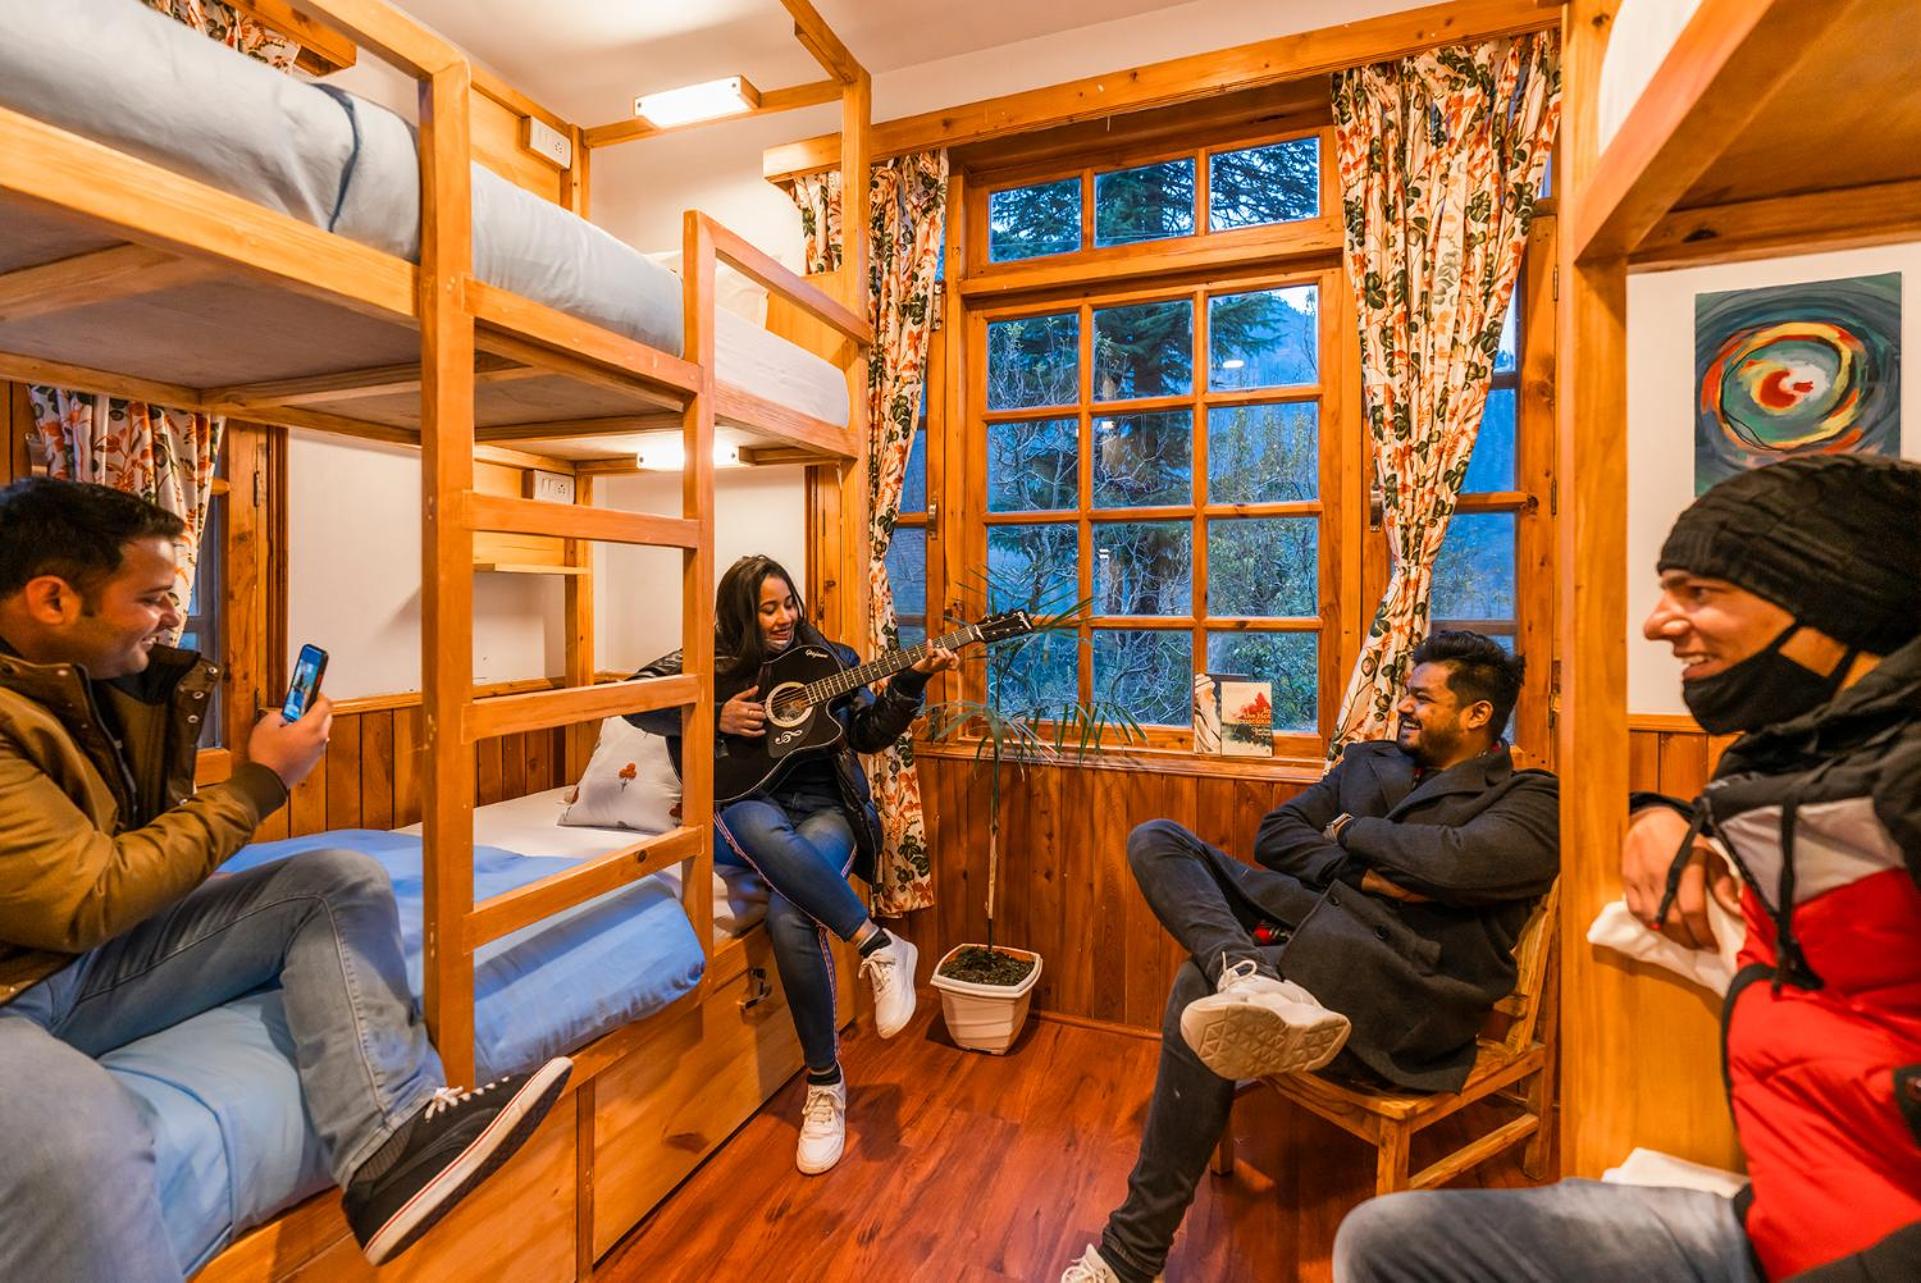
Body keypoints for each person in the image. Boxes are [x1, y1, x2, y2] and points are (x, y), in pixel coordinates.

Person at [1334, 455, 1921, 1282]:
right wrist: (1658, 814)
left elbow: (1465, 860)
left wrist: (1350, 840)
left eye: (1698, 591)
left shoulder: (1898, 789)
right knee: (1384, 1239)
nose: (1655, 622)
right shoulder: (1789, 767)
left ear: (1832, 598)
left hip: (1863, 1252)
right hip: (1782, 1220)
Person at [0, 478, 572, 1282]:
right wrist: (261, 781)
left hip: (78, 964)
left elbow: (111, 863)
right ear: (54, 598)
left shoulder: (77, 688)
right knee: (78, 1143)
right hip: (18, 987)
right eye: (153, 597)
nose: (170, 616)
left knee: (334, 879)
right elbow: (85, 896)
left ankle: (391, 1141)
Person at [1062, 631, 1559, 1283]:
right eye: (1406, 694)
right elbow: (1276, 835)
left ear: (1477, 714)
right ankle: (1246, 973)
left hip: (1402, 984)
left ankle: (1131, 1256)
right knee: (1158, 838)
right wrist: (1366, 874)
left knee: (1195, 984)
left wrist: (1350, 830)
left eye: (1421, 698)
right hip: (1311, 924)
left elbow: (1457, 863)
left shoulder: (1527, 796)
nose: (1403, 706)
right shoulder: (1370, 761)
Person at [628, 554, 956, 1175]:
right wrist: (713, 714)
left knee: (789, 912)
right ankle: (878, 945)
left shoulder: (830, 660)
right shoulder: (711, 661)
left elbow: (868, 734)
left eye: (790, 603)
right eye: (768, 608)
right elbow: (634, 699)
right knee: (752, 818)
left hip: (825, 810)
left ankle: (824, 1086)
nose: (784, 618)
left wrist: (911, 681)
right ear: (740, 614)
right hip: (747, 805)